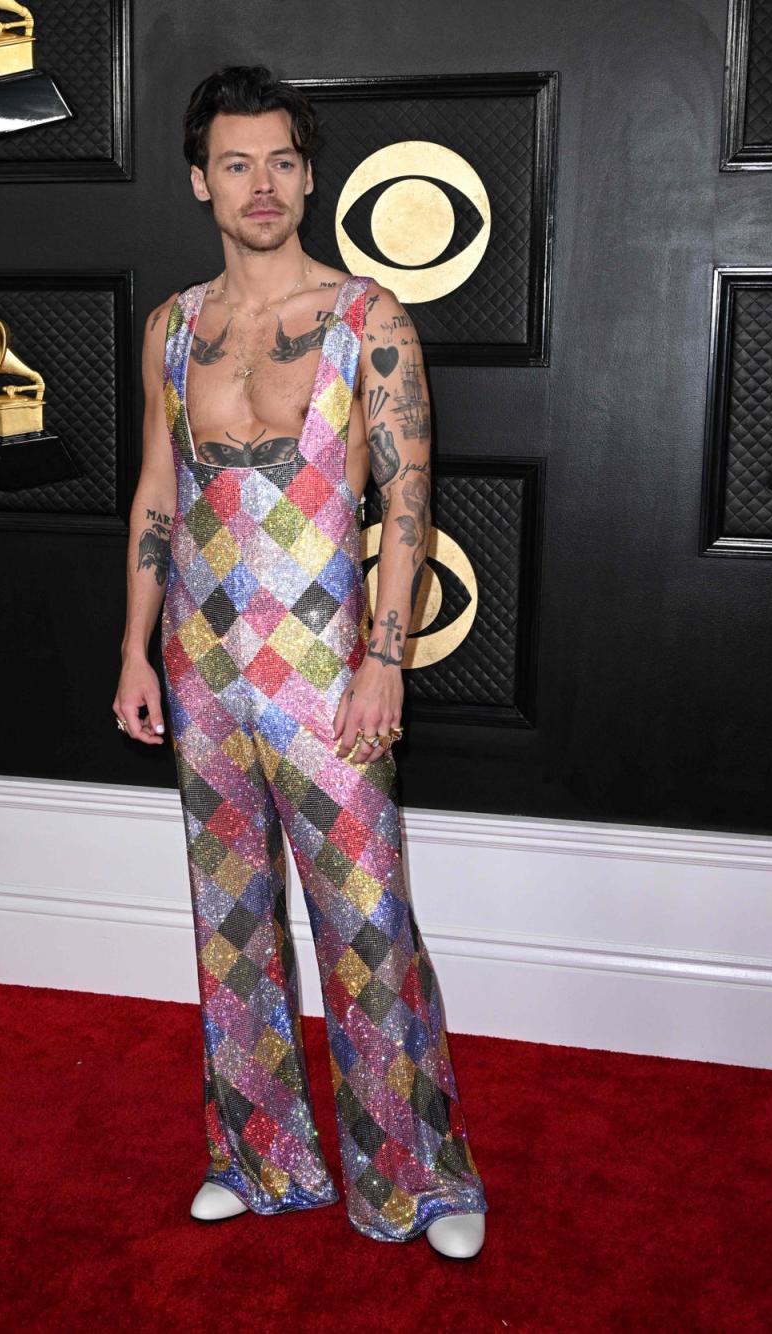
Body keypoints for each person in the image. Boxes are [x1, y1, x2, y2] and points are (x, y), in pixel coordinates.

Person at [113, 64, 488, 1259]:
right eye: (237, 162)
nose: (260, 183)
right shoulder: (172, 329)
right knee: (231, 922)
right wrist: (134, 650)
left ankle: (419, 1178)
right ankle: (259, 1150)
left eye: (280, 160)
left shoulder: (366, 318)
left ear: (308, 173)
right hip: (201, 666)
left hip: (330, 671)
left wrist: (387, 658)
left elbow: (410, 499)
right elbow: (158, 493)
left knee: (368, 920)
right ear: (200, 180)